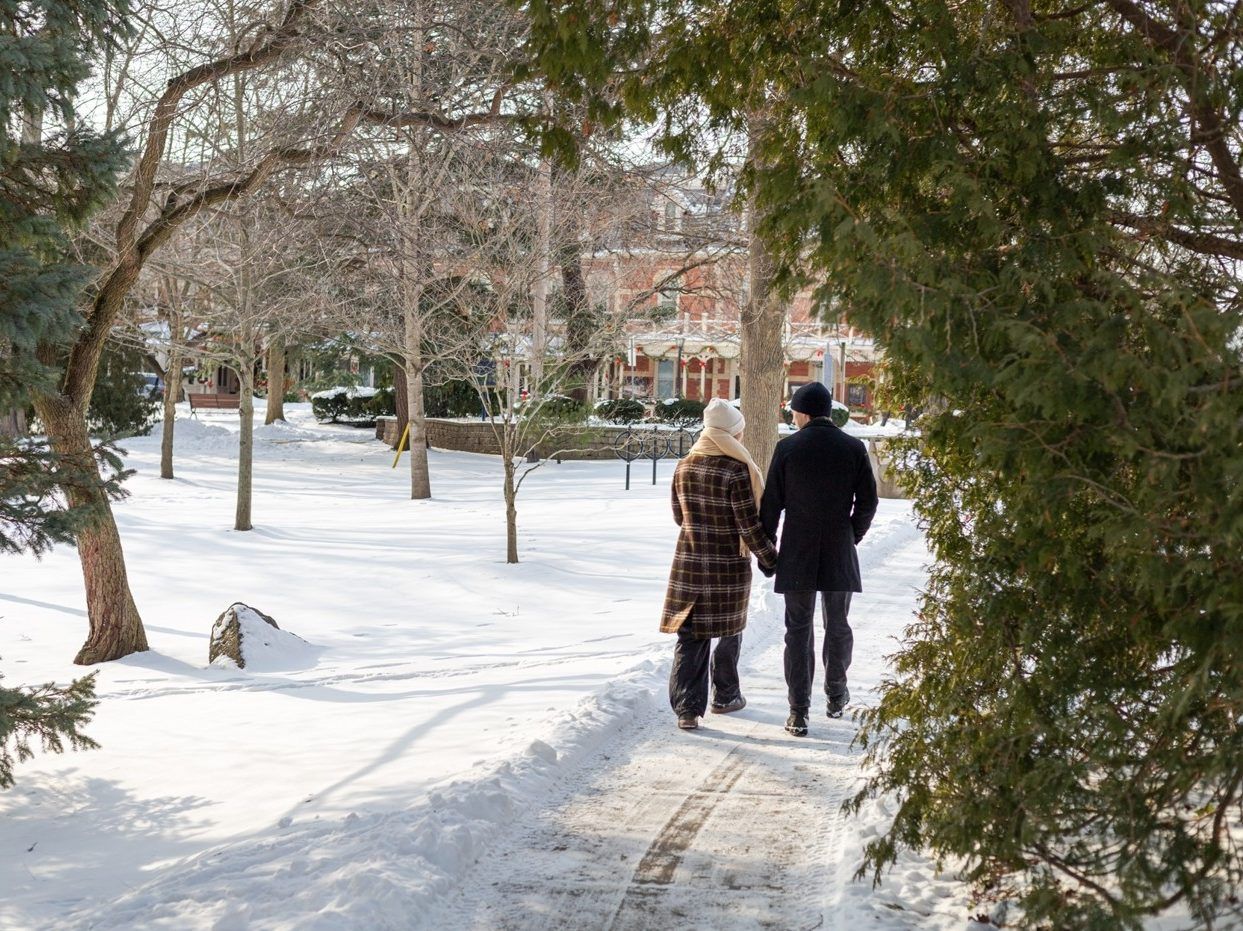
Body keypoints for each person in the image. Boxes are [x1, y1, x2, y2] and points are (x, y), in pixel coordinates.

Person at [761, 382, 878, 737]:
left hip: (798, 548)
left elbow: (771, 506)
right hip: (839, 547)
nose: (792, 417)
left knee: (798, 629)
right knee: (838, 623)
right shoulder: (853, 447)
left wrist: (768, 552)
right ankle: (836, 693)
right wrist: (850, 535)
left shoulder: (788, 448)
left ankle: (798, 710)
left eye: (794, 412)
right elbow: (868, 503)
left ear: (804, 412)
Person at [661, 398, 778, 730]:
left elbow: (678, 515)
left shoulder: (684, 465)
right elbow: (748, 526)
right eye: (738, 432)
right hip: (727, 564)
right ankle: (725, 695)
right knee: (729, 631)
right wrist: (770, 558)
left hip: (689, 562)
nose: (740, 439)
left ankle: (687, 708)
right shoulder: (737, 469)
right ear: (730, 434)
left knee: (690, 635)